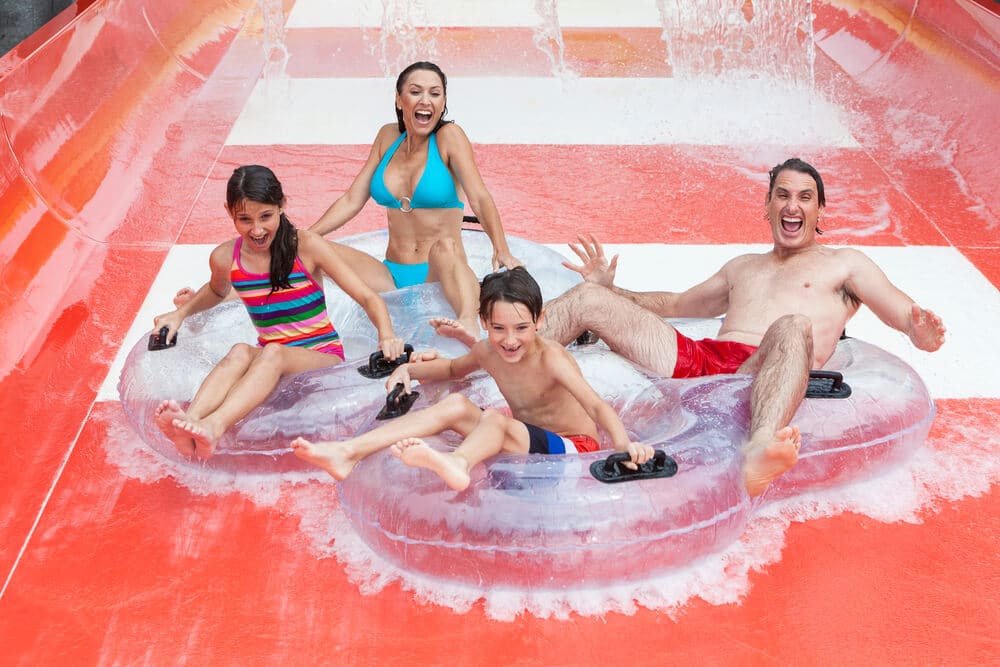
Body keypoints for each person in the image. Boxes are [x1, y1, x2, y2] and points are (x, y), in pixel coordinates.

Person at [538, 157, 946, 498]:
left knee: (793, 325)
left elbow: (901, 312)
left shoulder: (845, 264)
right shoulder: (743, 267)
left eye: (805, 198)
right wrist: (613, 291)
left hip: (760, 370)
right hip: (702, 361)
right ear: (767, 205)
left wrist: (919, 332)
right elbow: (676, 305)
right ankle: (499, 360)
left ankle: (760, 450)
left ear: (820, 210)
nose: (793, 206)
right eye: (783, 195)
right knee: (590, 300)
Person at [291, 267, 654, 491]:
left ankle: (459, 464)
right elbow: (451, 370)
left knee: (496, 420)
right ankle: (347, 452)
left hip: (573, 448)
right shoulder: (487, 351)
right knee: (457, 405)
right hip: (523, 437)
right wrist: (408, 369)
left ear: (540, 321)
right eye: (498, 328)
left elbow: (595, 405)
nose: (510, 340)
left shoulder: (552, 358)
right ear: (483, 323)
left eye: (521, 328)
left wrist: (624, 448)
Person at [152, 165, 405, 460]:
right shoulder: (224, 258)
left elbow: (367, 296)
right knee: (240, 351)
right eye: (244, 219)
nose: (257, 230)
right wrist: (180, 315)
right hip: (272, 358)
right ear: (229, 211)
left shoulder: (306, 246)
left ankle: (214, 426)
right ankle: (190, 422)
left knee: (272, 351)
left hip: (320, 356)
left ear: (282, 205)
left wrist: (386, 336)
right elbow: (217, 291)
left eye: (265, 217)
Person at [309, 60, 522, 344]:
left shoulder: (449, 138)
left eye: (435, 93)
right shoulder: (387, 136)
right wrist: (306, 237)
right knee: (308, 246)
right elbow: (351, 199)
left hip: (439, 274)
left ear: (443, 101)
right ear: (399, 100)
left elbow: (479, 197)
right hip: (390, 274)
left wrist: (501, 247)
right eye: (416, 92)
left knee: (445, 245)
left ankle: (469, 324)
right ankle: (313, 332)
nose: (426, 101)